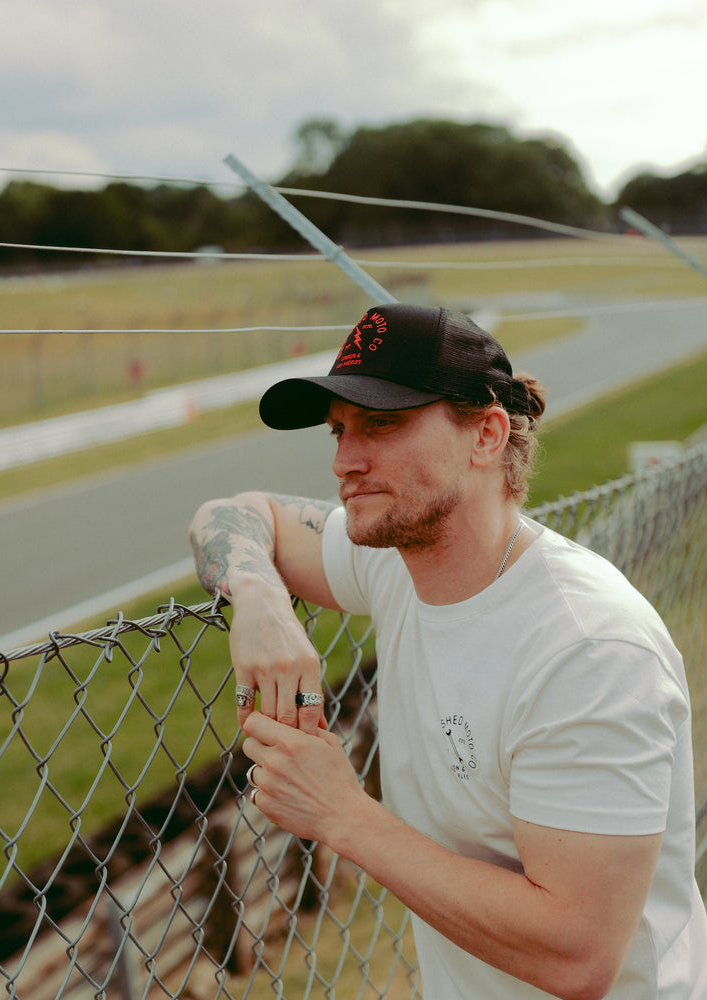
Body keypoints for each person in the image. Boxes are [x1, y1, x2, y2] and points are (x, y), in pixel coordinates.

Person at [188, 303, 707, 999]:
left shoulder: (587, 650)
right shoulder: (396, 561)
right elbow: (234, 512)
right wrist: (259, 599)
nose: (344, 461)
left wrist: (343, 815)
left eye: (381, 423)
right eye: (339, 430)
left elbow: (578, 957)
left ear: (486, 435)